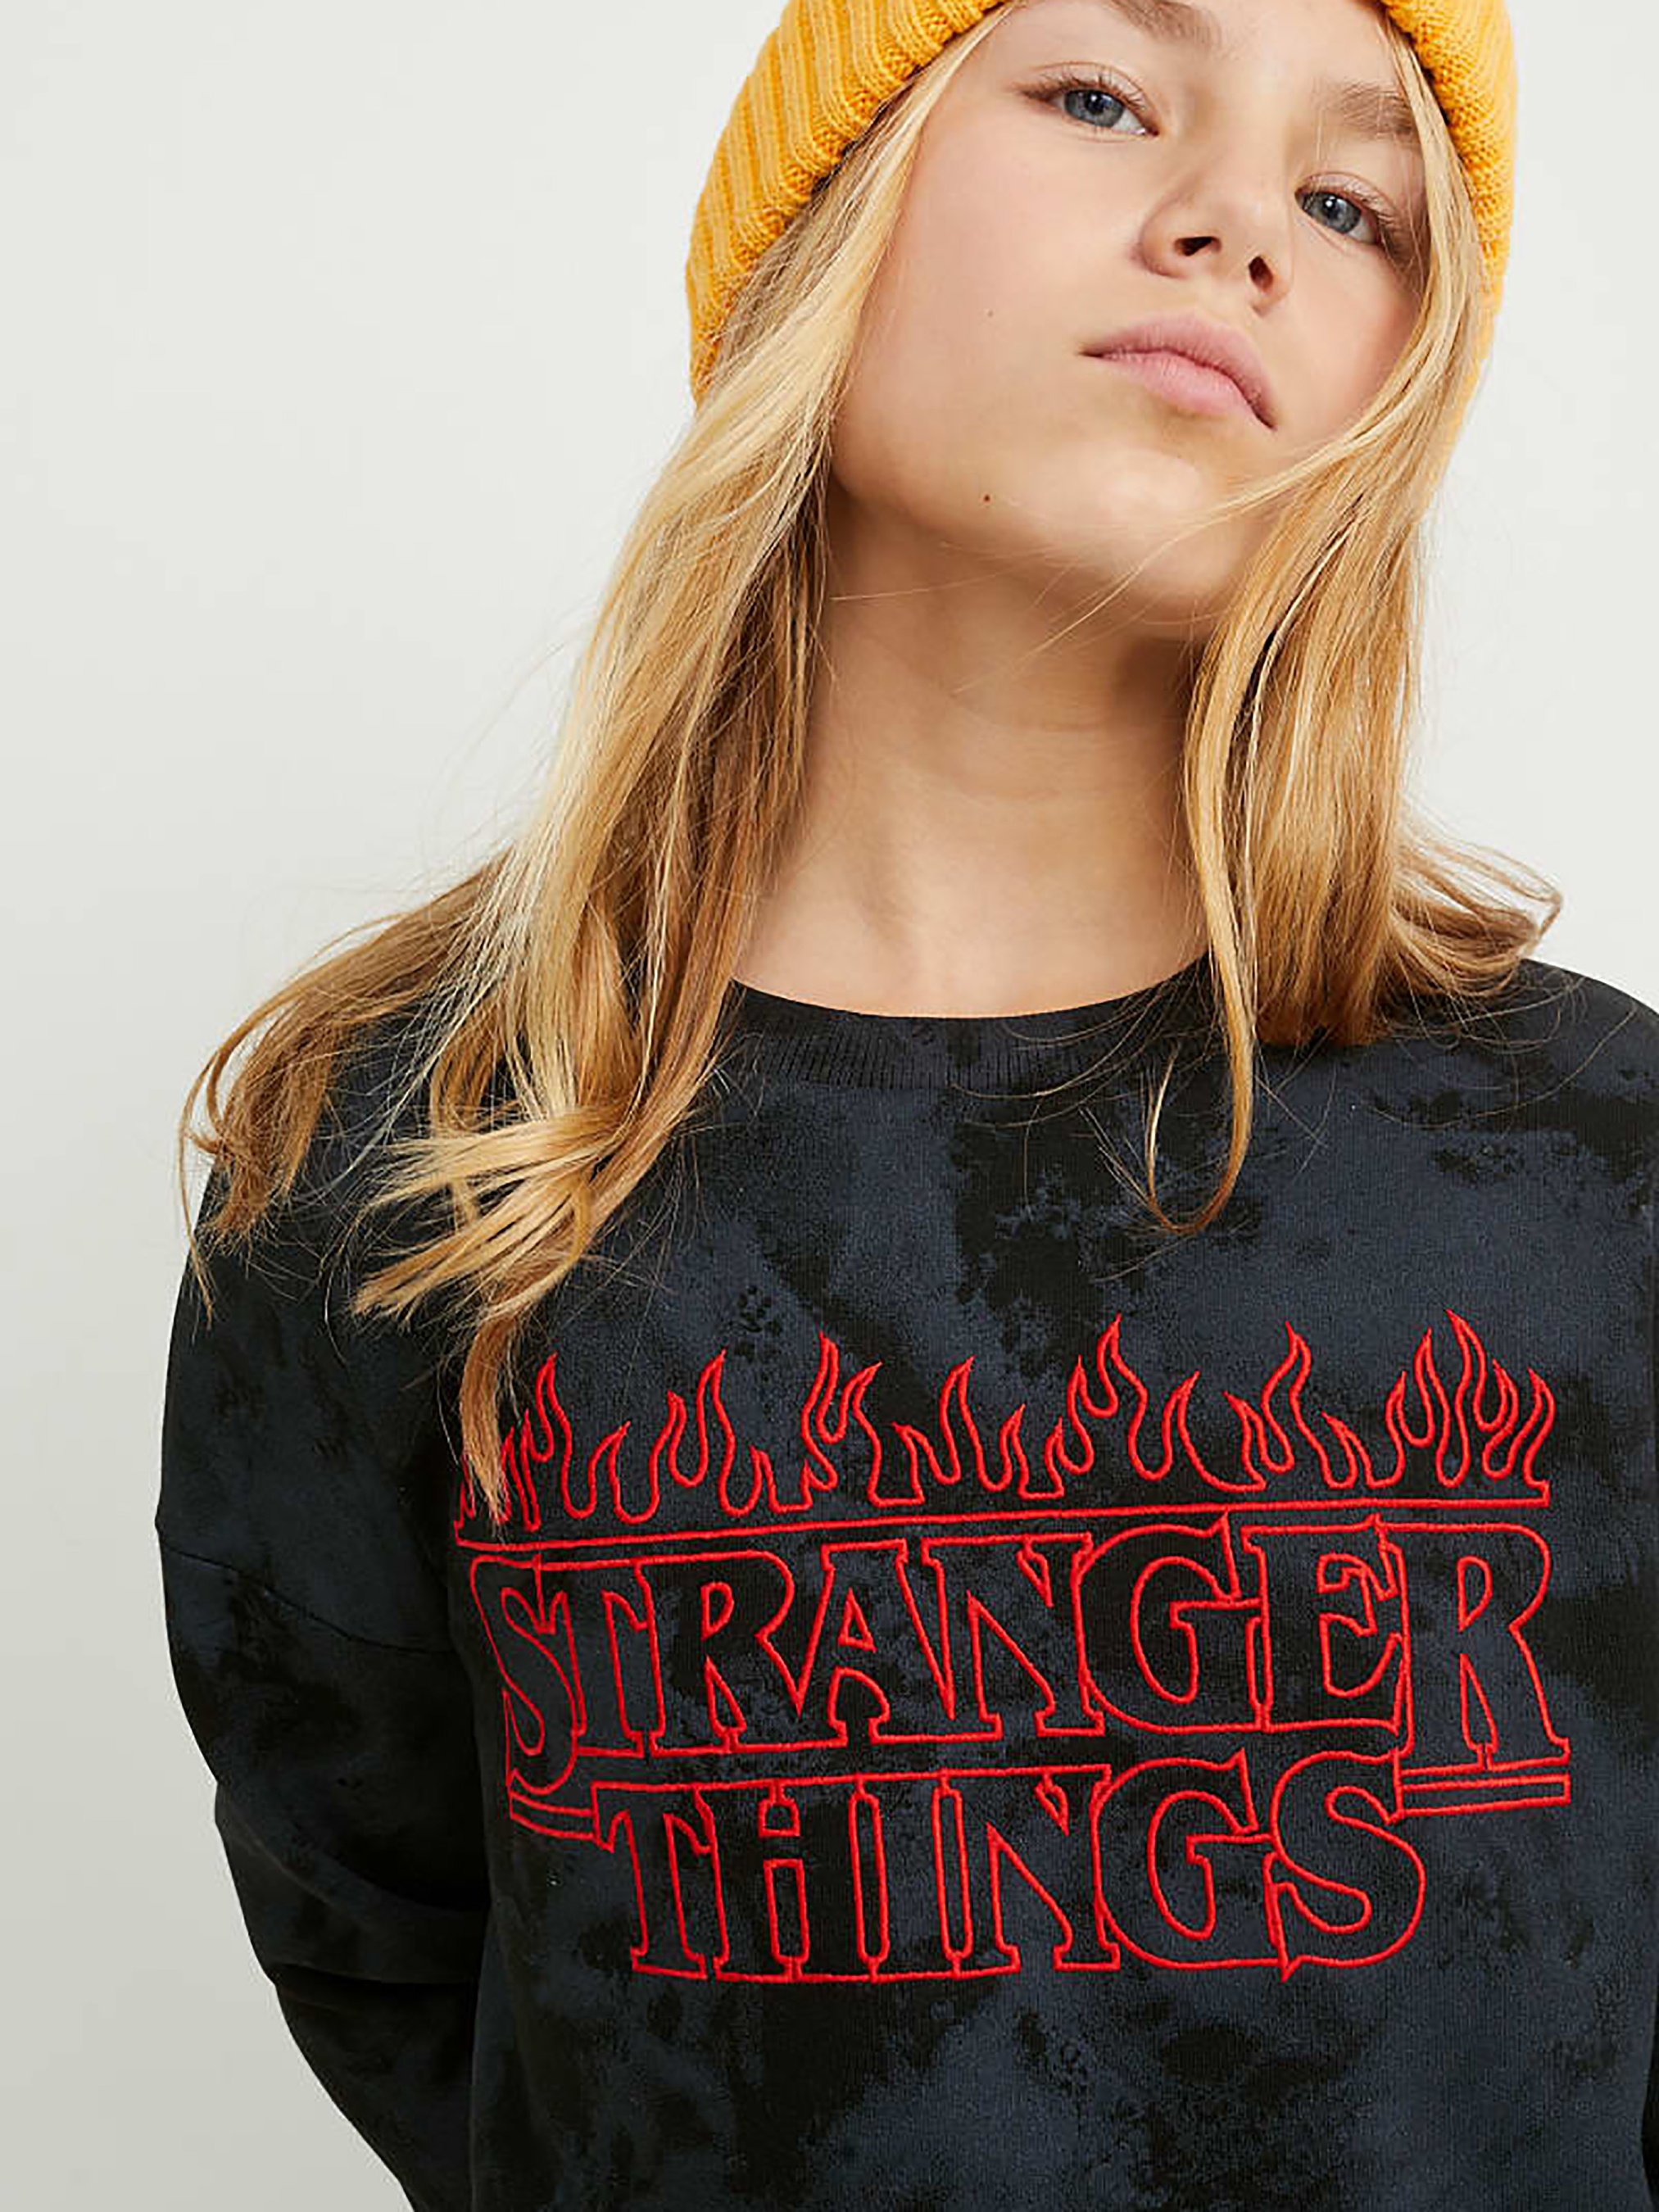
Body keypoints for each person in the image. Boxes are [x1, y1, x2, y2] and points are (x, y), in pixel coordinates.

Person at [152, 1, 1659, 2207]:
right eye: (1099, 96)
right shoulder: (405, 1159)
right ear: (821, 219)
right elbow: (404, 1958)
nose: (1236, 222)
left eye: (1352, 205)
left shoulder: (1598, 1168)